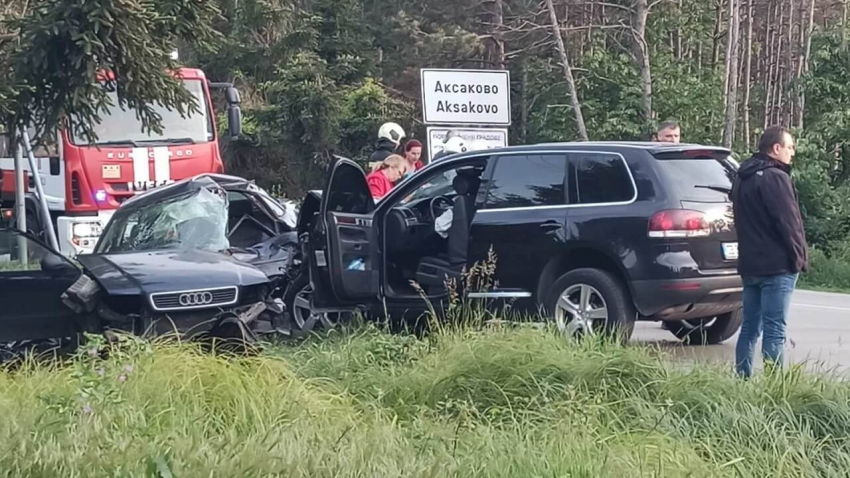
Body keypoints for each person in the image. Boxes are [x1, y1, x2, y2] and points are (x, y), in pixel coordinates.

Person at [731, 126, 808, 378]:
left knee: (749, 328)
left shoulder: (743, 176)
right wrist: (799, 258)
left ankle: (742, 380)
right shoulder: (776, 177)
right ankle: (776, 388)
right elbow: (789, 222)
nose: (792, 152)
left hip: (750, 265)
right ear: (776, 148)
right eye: (789, 147)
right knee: (775, 331)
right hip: (776, 267)